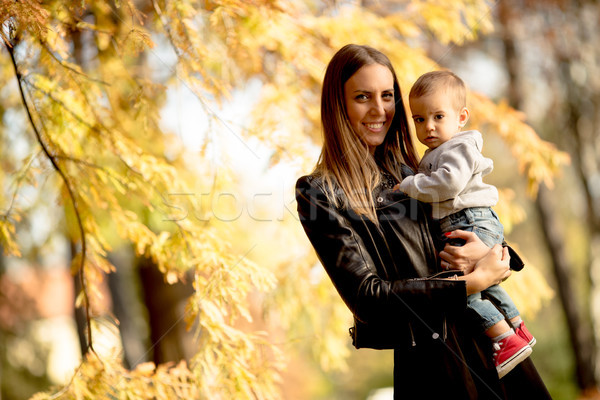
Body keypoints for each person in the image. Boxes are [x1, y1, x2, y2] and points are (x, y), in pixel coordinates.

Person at [296, 44, 551, 398]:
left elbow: (472, 224)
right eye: (362, 97)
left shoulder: (414, 169)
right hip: (434, 363)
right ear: (338, 105)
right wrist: (468, 285)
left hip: (496, 346)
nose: (379, 109)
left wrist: (492, 254)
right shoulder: (319, 191)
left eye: (387, 96)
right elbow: (368, 298)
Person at [395, 70, 535, 378]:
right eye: (419, 119)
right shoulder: (440, 149)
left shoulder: (459, 147)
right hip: (472, 221)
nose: (428, 126)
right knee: (486, 281)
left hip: (469, 221)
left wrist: (408, 185)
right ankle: (517, 327)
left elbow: (448, 185)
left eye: (438, 116)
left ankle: (503, 338)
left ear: (461, 117)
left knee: (462, 289)